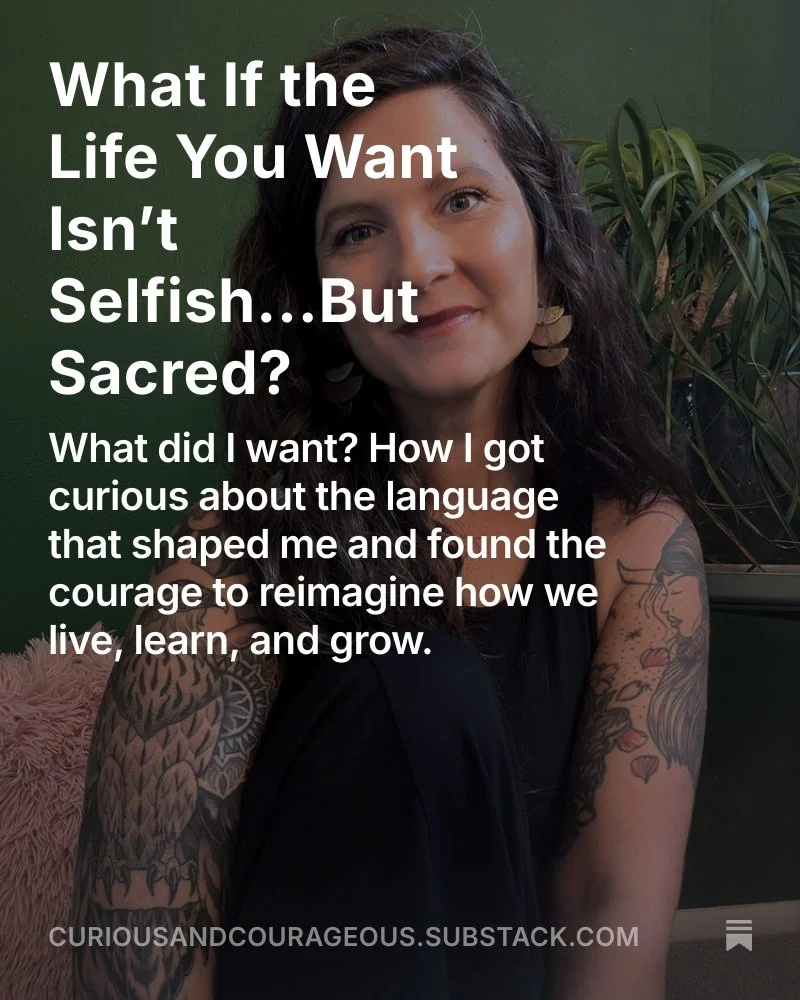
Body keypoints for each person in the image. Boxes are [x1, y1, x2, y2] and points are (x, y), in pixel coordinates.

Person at [71, 25, 709, 1000]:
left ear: (541, 235)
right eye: (356, 230)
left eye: (460, 199)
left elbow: (609, 925)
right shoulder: (229, 561)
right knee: (416, 684)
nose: (415, 264)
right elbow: (132, 961)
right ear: (317, 301)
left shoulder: (635, 546)